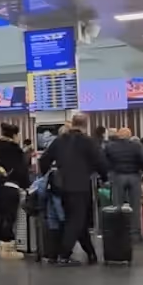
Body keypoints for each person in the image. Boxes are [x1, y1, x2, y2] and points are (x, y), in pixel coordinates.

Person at [39, 113, 105, 264]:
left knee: (75, 220)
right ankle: (64, 254)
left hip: (62, 186)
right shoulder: (88, 142)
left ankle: (91, 253)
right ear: (85, 124)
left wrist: (48, 175)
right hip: (81, 186)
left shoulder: (59, 141)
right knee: (76, 221)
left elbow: (44, 160)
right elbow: (100, 161)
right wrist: (105, 177)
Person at [101, 125, 143, 233]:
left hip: (118, 176)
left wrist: (110, 170)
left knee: (118, 205)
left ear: (118, 135)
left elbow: (104, 161)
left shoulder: (110, 146)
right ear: (130, 136)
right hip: (134, 176)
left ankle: (120, 230)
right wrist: (142, 169)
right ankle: (135, 231)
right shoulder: (137, 145)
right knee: (135, 205)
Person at [0, 123, 28, 248]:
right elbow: (21, 170)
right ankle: (8, 247)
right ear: (14, 135)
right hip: (12, 186)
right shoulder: (15, 150)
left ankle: (0, 245)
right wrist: (26, 185)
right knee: (10, 217)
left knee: (1, 216)